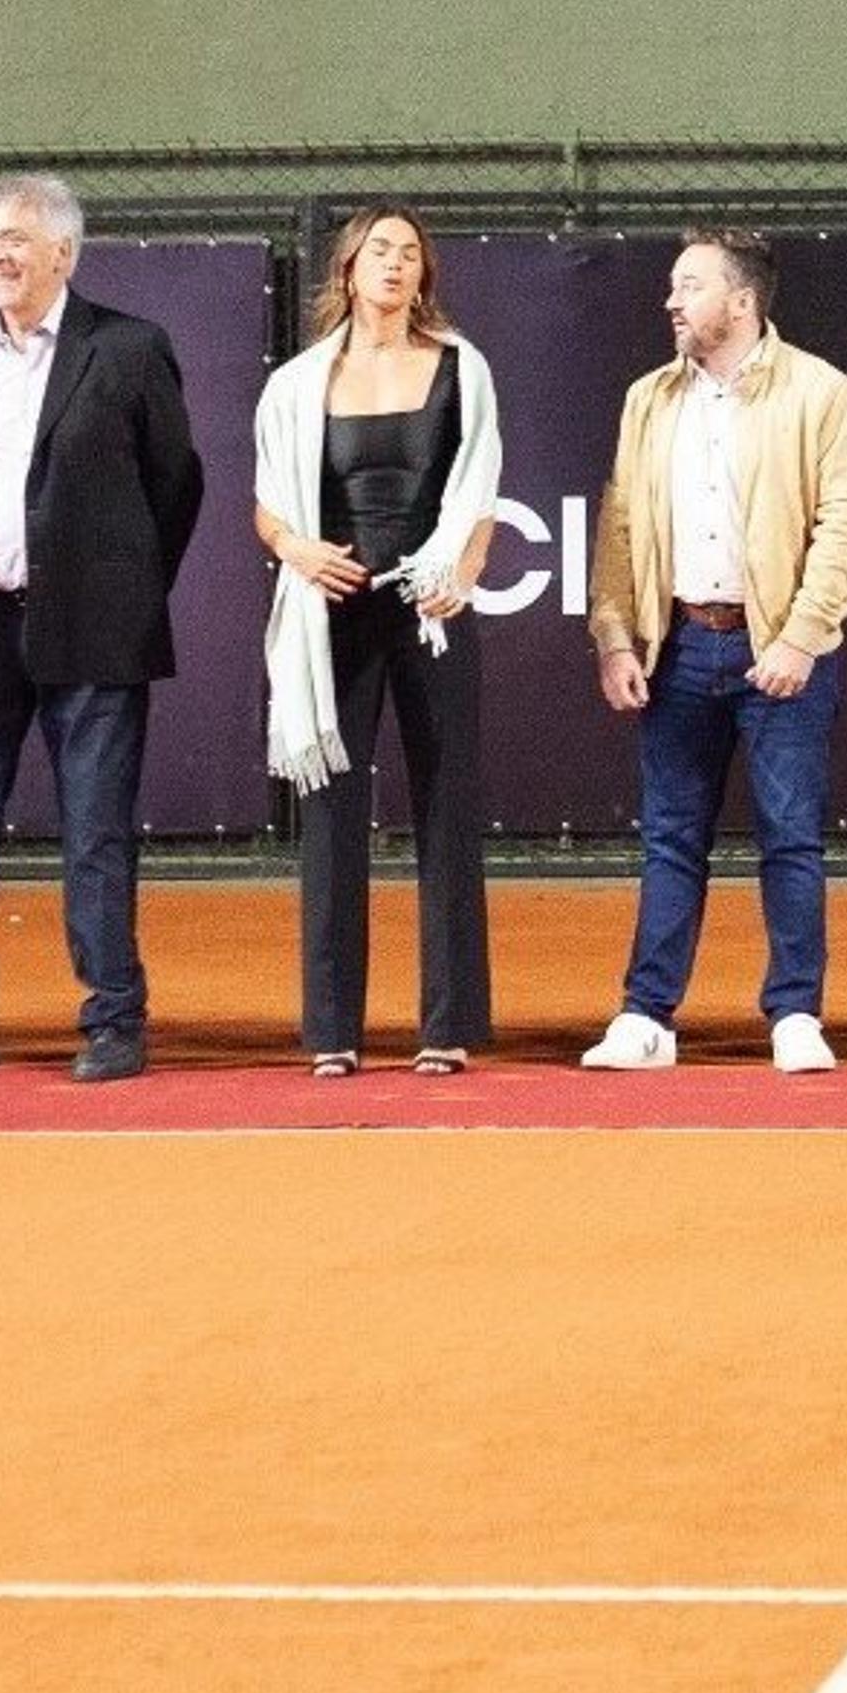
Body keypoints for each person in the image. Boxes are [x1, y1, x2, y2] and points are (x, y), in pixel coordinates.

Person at [0, 174, 204, 1085]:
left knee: (95, 832)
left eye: (15, 237)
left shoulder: (130, 349)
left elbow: (175, 486)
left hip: (94, 634)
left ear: (64, 250)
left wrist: (121, 587)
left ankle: (113, 1018)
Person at [577, 227, 847, 1073]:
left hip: (779, 652)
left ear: (741, 303)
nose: (671, 301)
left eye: (690, 286)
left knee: (790, 837)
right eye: (674, 288)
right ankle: (646, 1017)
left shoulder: (824, 393)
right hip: (676, 648)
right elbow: (622, 522)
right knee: (670, 839)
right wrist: (615, 635)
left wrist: (799, 638)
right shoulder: (649, 399)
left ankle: (794, 1015)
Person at [254, 207, 502, 1076]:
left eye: (409, 254)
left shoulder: (462, 368)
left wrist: (459, 578)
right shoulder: (296, 384)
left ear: (422, 275)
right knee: (330, 818)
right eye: (379, 252)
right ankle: (332, 1032)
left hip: (431, 616)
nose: (394, 266)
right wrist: (298, 550)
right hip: (333, 617)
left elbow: (478, 496)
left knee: (447, 809)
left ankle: (447, 1026)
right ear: (350, 269)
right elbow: (268, 507)